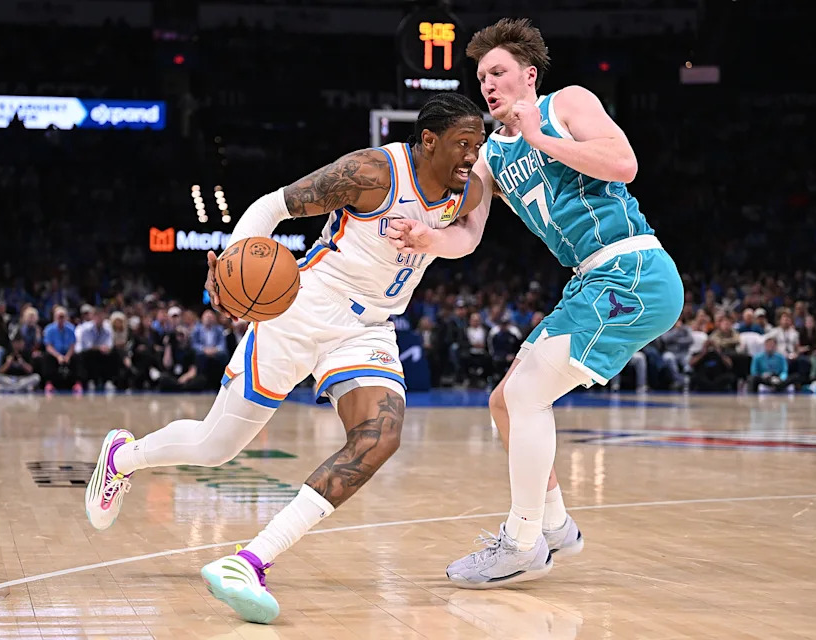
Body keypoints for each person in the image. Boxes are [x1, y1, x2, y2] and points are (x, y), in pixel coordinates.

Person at [85, 94, 488, 622]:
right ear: (428, 141)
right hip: (302, 306)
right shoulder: (372, 172)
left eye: (478, 145)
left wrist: (432, 234)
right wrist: (231, 263)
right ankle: (123, 458)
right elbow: (274, 206)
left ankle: (250, 561)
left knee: (381, 435)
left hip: (368, 327)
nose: (471, 155)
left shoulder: (470, 185)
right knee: (216, 446)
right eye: (463, 144)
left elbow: (467, 235)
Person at [386, 18, 683, 587]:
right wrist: (428, 239)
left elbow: (625, 166)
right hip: (590, 281)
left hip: (632, 269)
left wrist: (540, 138)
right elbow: (468, 237)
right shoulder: (490, 157)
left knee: (525, 396)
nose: (489, 85)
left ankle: (522, 542)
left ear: (528, 76)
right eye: (481, 77)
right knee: (504, 402)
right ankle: (555, 525)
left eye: (498, 72)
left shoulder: (567, 103)